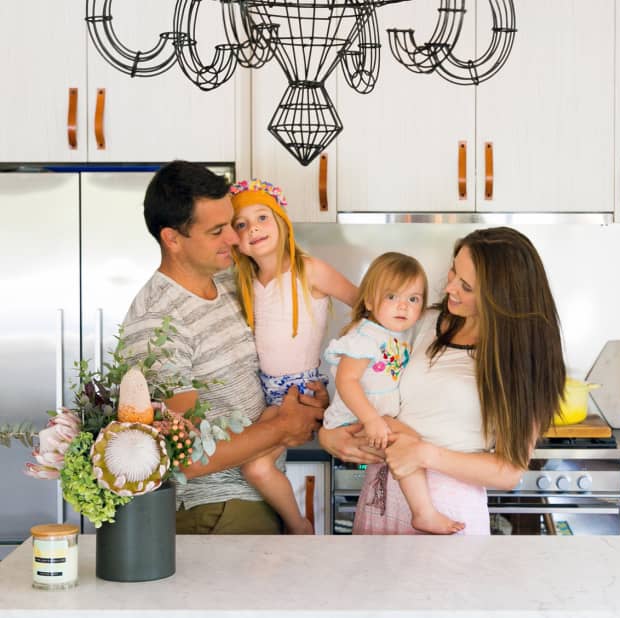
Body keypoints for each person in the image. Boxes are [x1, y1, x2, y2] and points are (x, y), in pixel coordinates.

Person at [121, 160, 327, 535]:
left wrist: (310, 395)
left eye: (231, 224)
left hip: (260, 492)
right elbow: (183, 456)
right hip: (215, 510)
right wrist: (283, 426)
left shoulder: (234, 281)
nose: (234, 238)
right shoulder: (156, 323)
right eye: (217, 231)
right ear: (172, 239)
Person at [319, 227, 567, 535]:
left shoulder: (522, 360)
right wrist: (329, 437)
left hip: (446, 512)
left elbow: (508, 472)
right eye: (453, 270)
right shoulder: (420, 323)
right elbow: (364, 378)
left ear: (499, 296)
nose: (449, 287)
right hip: (380, 499)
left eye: (466, 286)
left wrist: (424, 454)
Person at [229, 178, 357, 534]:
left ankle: (299, 527)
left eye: (261, 218)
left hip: (299, 392)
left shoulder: (309, 270)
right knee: (253, 464)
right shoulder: (247, 281)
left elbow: (365, 305)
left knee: (255, 468)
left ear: (281, 222)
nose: (253, 228)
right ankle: (297, 527)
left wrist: (349, 354)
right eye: (241, 224)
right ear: (235, 240)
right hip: (266, 391)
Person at [323, 251, 464, 534]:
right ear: (370, 301)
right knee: (410, 442)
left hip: (374, 416)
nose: (403, 306)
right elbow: (346, 381)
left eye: (413, 299)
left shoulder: (396, 336)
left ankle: (421, 511)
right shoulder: (364, 338)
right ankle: (423, 512)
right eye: (392, 297)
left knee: (410, 442)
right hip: (356, 418)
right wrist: (373, 420)